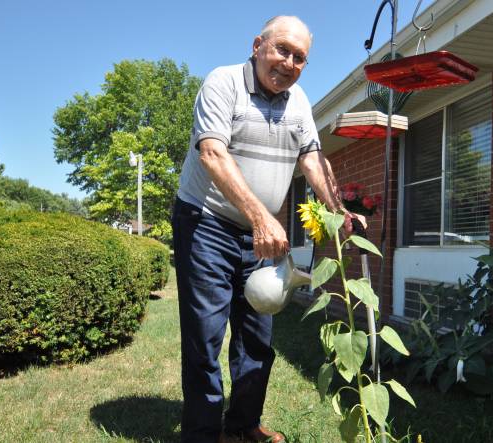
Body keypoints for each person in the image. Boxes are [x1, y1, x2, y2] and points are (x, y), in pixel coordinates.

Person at [172, 15, 364, 443]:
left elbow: (313, 160)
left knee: (258, 333)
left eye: (300, 58)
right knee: (205, 336)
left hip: (261, 235)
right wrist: (262, 218)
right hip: (206, 224)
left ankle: (242, 424)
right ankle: (203, 433)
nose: (289, 62)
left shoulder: (298, 103)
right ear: (258, 44)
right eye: (282, 49)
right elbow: (212, 155)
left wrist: (340, 212)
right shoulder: (223, 84)